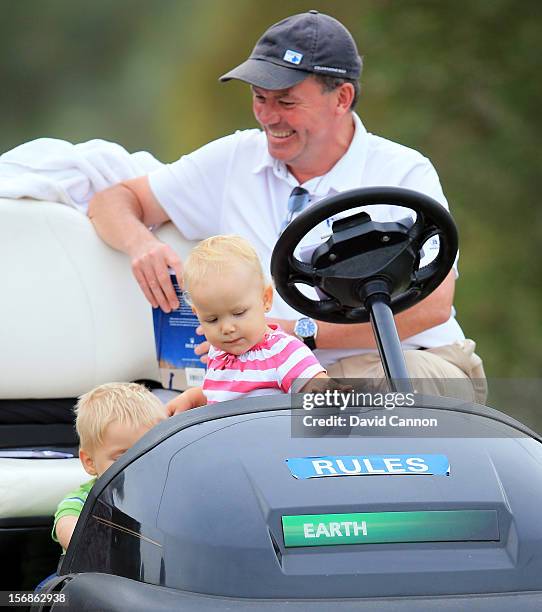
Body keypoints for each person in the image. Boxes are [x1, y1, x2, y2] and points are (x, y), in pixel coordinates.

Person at [88, 10, 485, 400]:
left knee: (368, 391)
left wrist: (290, 334)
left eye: (287, 102)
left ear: (341, 98)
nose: (268, 116)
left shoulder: (403, 171)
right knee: (139, 418)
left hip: (402, 363)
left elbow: (432, 306)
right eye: (260, 98)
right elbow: (113, 201)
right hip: (274, 377)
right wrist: (143, 245)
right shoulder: (233, 160)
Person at [166, 235, 328, 414]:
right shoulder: (218, 354)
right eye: (212, 320)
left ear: (265, 299)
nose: (227, 328)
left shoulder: (283, 352)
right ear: (197, 314)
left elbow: (319, 388)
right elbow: (222, 397)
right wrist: (193, 398)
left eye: (238, 313)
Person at [52, 382, 167, 551]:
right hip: (95, 574)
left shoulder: (163, 496)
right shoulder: (82, 502)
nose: (139, 465)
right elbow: (67, 528)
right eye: (122, 458)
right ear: (90, 462)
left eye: (150, 453)